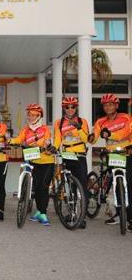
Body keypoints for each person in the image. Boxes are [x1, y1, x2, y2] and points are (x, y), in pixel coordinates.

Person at [88, 93, 132, 229]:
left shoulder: (126, 118)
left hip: (126, 153)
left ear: (116, 106)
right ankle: (119, 214)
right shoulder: (100, 122)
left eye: (111, 105)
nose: (108, 107)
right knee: (116, 185)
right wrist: (90, 137)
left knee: (129, 184)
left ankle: (130, 218)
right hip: (112, 155)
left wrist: (110, 134)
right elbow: (94, 138)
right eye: (106, 105)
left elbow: (126, 132)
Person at [11, 104, 55, 226]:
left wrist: (42, 144)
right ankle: (39, 211)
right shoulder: (25, 130)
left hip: (47, 162)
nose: (30, 117)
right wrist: (9, 140)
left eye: (34, 115)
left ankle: (43, 213)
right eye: (29, 115)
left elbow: (46, 141)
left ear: (39, 116)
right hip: (33, 161)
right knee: (36, 187)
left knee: (43, 187)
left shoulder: (45, 129)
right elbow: (18, 139)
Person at [53, 96, 89, 228]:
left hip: (79, 155)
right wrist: (54, 147)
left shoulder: (82, 121)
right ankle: (72, 213)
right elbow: (58, 139)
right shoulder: (59, 122)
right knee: (70, 185)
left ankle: (82, 216)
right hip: (67, 155)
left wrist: (79, 128)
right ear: (64, 108)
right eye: (67, 107)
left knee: (82, 185)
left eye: (72, 107)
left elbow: (86, 139)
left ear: (76, 108)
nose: (70, 109)